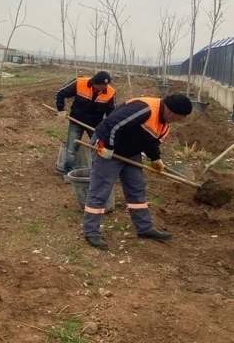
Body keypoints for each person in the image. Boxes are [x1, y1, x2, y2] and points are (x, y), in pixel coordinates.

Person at [82, 94, 193, 250]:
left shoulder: (164, 123)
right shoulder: (144, 108)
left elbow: (150, 140)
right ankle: (91, 232)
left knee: (137, 187)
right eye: (180, 117)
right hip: (107, 147)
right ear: (173, 112)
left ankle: (145, 228)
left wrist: (155, 159)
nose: (180, 121)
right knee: (101, 190)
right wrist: (109, 146)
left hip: (130, 152)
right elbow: (112, 125)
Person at [55, 71, 116, 179]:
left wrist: (108, 128)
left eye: (106, 85)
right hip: (76, 120)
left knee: (99, 149)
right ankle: (69, 174)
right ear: (94, 83)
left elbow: (112, 113)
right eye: (102, 85)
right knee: (71, 148)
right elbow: (61, 93)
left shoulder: (110, 93)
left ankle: (100, 173)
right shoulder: (80, 83)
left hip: (95, 125)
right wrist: (61, 109)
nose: (104, 87)